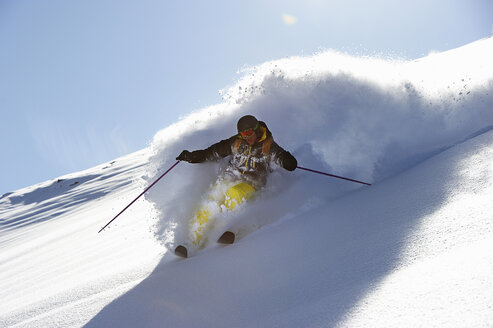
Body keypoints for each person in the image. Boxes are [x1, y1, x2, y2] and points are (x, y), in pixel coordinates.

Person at [175, 115, 297, 253]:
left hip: (251, 183)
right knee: (211, 199)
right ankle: (191, 241)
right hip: (229, 177)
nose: (246, 137)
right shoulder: (236, 142)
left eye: (249, 133)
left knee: (234, 193)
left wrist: (288, 161)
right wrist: (192, 156)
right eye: (242, 134)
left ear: (256, 130)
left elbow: (280, 156)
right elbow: (212, 152)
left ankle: (229, 228)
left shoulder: (268, 146)